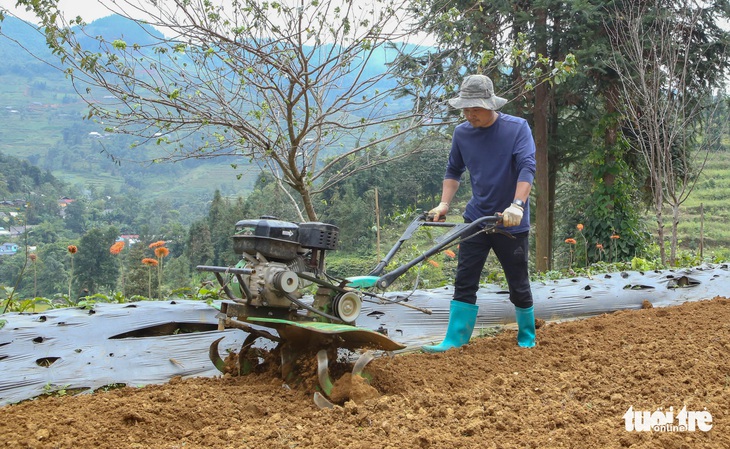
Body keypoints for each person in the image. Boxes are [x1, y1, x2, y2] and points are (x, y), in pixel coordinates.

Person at [423, 74, 537, 352]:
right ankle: (455, 339)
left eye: (475, 108)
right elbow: (453, 171)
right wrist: (444, 204)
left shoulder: (517, 128)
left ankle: (527, 335)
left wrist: (517, 205)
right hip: (476, 219)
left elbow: (527, 167)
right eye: (465, 108)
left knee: (517, 282)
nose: (469, 113)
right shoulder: (462, 133)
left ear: (491, 105)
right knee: (465, 278)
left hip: (510, 219)